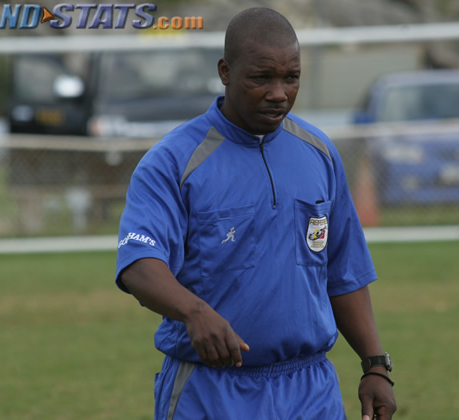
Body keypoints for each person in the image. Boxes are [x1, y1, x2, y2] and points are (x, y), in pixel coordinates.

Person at [115, 7, 397, 420]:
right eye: (261, 78)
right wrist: (194, 312)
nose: (279, 93)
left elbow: (344, 272)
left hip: (310, 390)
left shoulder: (319, 153)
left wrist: (375, 365)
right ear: (225, 72)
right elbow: (139, 265)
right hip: (212, 389)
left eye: (291, 77)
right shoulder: (173, 161)